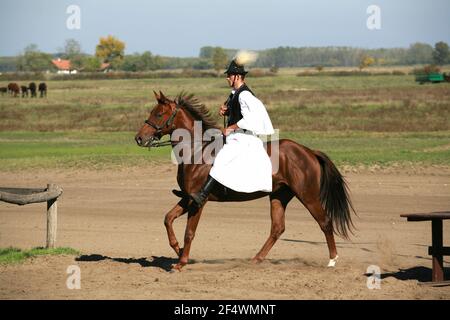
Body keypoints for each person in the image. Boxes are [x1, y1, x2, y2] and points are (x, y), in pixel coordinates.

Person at [189, 57, 274, 207]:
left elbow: (251, 118)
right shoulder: (235, 93)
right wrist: (227, 111)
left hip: (244, 138)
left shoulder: (245, 95)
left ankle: (203, 195)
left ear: (237, 76)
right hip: (236, 135)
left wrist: (231, 127)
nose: (227, 78)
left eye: (229, 75)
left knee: (221, 158)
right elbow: (239, 113)